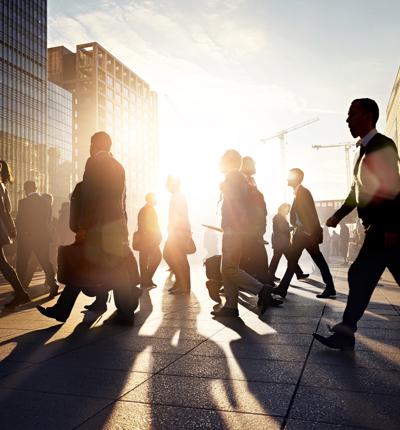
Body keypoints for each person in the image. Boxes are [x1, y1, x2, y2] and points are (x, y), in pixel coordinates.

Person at [313, 98, 400, 350]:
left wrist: (392, 226)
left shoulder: (383, 145)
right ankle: (346, 331)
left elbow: (392, 186)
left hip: (386, 228)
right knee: (361, 275)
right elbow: (355, 191)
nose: (348, 119)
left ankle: (346, 332)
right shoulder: (361, 152)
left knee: (358, 274)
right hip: (379, 228)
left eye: (352, 114)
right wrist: (338, 215)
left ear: (369, 116)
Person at [37, 131, 140, 325]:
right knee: (113, 269)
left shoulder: (94, 162)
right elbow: (121, 200)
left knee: (83, 265)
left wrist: (83, 227)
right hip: (115, 225)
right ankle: (124, 313)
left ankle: (64, 310)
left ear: (93, 145)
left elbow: (91, 197)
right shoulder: (118, 166)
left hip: (98, 226)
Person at [211, 150, 281, 318]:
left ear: (229, 161)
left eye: (221, 160)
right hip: (234, 229)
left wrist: (224, 187)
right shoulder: (236, 176)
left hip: (233, 230)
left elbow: (239, 199)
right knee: (228, 268)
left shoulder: (234, 175)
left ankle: (261, 289)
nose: (219, 163)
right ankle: (230, 306)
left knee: (227, 269)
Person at [273, 168, 336, 299]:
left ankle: (330, 287)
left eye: (289, 176)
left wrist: (309, 232)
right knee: (293, 261)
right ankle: (282, 288)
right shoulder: (298, 193)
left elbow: (311, 213)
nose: (286, 179)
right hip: (300, 234)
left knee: (318, 260)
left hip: (306, 235)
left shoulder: (304, 192)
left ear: (296, 178)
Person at [15, 181, 59, 299]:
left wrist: (20, 235)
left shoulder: (23, 202)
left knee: (22, 262)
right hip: (43, 236)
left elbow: (20, 220)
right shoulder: (45, 201)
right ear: (36, 188)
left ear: (25, 189)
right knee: (45, 261)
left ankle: (19, 288)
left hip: (27, 237)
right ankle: (53, 283)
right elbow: (48, 219)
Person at [0, 160, 31, 307]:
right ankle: (20, 293)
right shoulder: (2, 187)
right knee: (2, 263)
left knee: (2, 263)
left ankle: (20, 293)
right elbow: (7, 210)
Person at [238, 156, 270, 285]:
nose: (255, 167)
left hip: (255, 227)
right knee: (247, 256)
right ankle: (263, 284)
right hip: (246, 227)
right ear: (245, 164)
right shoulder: (240, 180)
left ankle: (263, 283)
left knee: (254, 255)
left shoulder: (251, 181)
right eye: (253, 164)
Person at [163, 176, 192, 295]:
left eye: (167, 183)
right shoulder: (176, 196)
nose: (166, 186)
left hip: (178, 231)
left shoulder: (178, 197)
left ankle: (183, 285)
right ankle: (180, 282)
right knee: (175, 257)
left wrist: (172, 230)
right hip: (178, 231)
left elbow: (179, 216)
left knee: (178, 258)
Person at [268, 203, 309, 284]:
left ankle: (270, 275)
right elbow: (284, 229)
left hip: (279, 242)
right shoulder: (280, 217)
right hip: (282, 243)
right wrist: (294, 227)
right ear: (284, 209)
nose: (289, 211)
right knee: (291, 258)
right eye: (288, 209)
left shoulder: (278, 217)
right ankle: (299, 274)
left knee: (277, 260)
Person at [137, 192, 162, 288]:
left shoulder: (142, 209)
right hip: (150, 239)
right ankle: (147, 278)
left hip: (143, 239)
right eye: (155, 198)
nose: (156, 200)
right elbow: (154, 225)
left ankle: (145, 280)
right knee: (158, 257)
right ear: (150, 199)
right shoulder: (150, 209)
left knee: (143, 259)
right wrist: (158, 236)